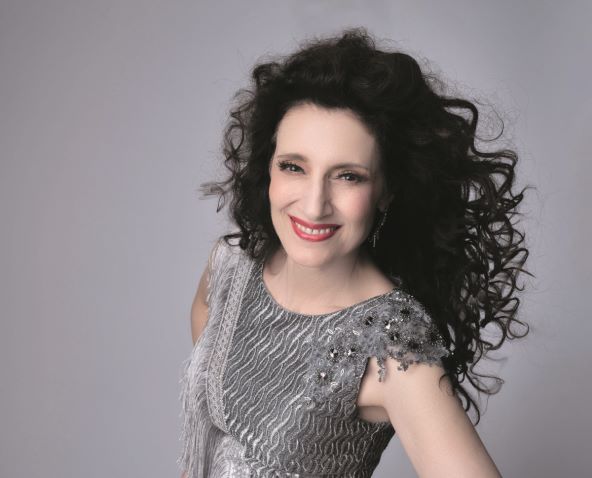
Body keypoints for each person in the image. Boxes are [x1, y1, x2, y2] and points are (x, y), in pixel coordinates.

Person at [178, 28, 531, 478]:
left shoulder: (393, 341)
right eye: (294, 167)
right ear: (268, 167)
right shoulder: (230, 270)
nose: (314, 205)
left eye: (348, 176)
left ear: (387, 190)